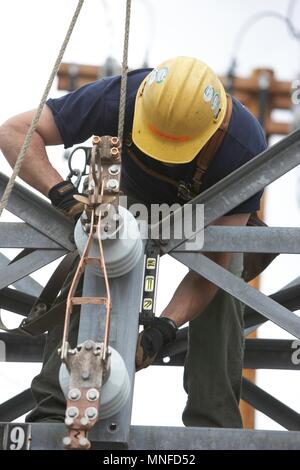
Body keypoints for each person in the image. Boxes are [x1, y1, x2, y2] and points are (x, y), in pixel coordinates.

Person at [0, 56, 266, 428]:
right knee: (94, 253)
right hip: (129, 201)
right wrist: (63, 196)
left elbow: (214, 267)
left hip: (206, 214)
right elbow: (15, 132)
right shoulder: (118, 97)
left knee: (226, 282)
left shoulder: (243, 145)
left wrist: (165, 328)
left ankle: (214, 424)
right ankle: (54, 409)